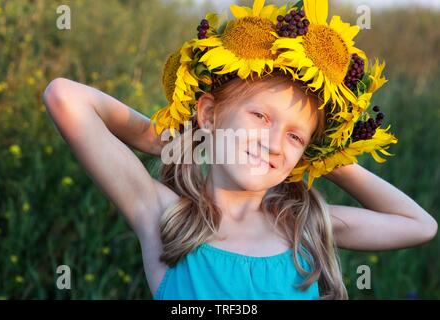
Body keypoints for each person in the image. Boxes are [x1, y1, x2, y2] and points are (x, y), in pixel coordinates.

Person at [42, 0, 437, 300]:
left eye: (296, 136)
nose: (274, 142)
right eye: (261, 116)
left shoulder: (303, 225)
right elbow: (65, 97)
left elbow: (420, 225)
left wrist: (327, 159)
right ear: (210, 114)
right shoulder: (164, 217)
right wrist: (163, 137)